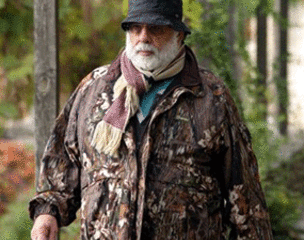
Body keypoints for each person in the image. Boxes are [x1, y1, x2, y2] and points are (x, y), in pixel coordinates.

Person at [29, 0, 274, 239]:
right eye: (135, 28)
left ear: (179, 35)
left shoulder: (211, 98)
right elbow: (61, 168)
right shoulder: (93, 90)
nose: (143, 37)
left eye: (155, 28)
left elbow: (245, 199)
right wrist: (46, 214)